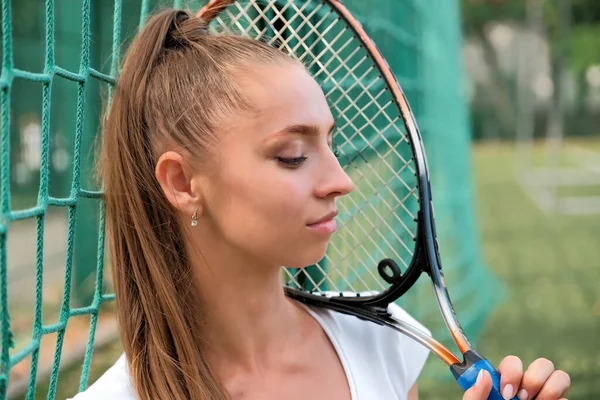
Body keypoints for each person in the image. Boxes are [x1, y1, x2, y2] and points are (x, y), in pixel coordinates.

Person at [70, 9, 571, 400]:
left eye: (330, 143)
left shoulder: (381, 346)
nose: (340, 181)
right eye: (292, 156)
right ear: (182, 182)